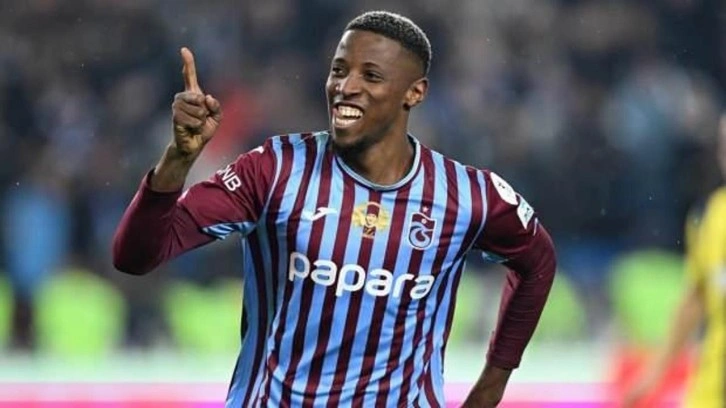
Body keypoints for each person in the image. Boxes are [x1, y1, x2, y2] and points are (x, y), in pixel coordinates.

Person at [112, 11, 556, 407]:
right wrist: (178, 159)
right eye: (339, 70)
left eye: (371, 75)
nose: (346, 87)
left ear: (414, 93)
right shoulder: (274, 170)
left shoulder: (467, 195)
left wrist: (491, 388)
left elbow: (537, 263)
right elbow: (135, 257)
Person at [623, 114, 726, 408]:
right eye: (723, 145)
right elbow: (696, 297)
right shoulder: (709, 216)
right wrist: (655, 371)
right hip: (712, 388)